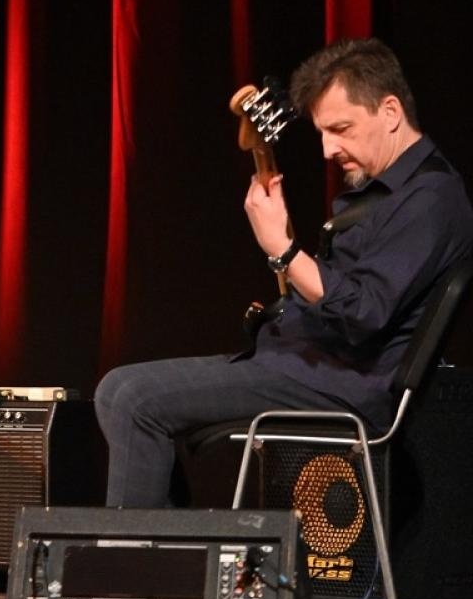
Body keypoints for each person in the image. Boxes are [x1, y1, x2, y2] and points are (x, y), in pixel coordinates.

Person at [96, 39, 473, 507]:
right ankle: (164, 550)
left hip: (343, 385)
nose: (328, 149)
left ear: (390, 111)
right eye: (321, 132)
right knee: (121, 392)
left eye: (341, 129)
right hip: (307, 366)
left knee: (132, 398)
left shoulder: (431, 200)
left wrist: (282, 248)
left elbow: (361, 313)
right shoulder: (386, 194)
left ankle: (133, 553)